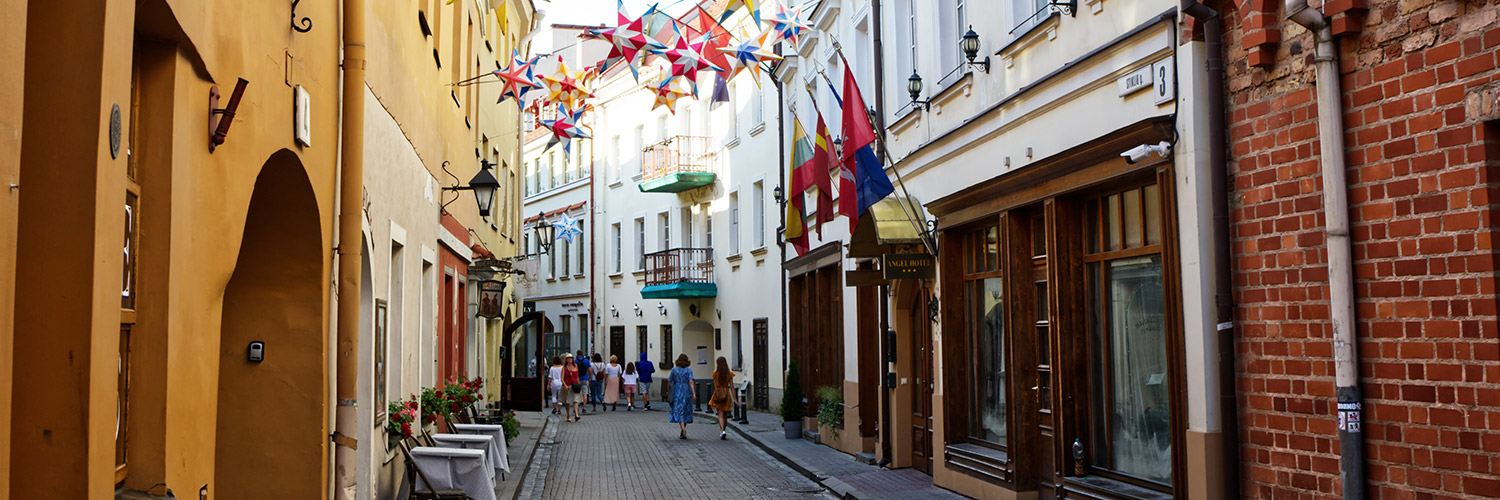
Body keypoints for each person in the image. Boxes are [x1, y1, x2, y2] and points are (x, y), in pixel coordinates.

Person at [668, 354, 696, 439]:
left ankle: (683, 429)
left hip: (677, 391)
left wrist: (669, 391)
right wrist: (694, 393)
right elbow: (691, 381)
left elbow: (669, 381)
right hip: (686, 391)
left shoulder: (674, 370)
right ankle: (683, 429)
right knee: (686, 410)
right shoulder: (689, 370)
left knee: (679, 410)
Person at [710, 356, 736, 440]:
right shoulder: (729, 374)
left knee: (720, 414)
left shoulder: (715, 373)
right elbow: (732, 387)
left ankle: (722, 430)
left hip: (718, 393)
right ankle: (723, 429)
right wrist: (735, 399)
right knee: (725, 414)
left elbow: (715, 383)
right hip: (726, 394)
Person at [562, 353, 581, 422]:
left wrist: (578, 383)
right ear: (566, 360)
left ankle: (576, 414)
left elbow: (577, 375)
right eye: (568, 358)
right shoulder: (564, 368)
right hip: (568, 385)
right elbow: (562, 378)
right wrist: (565, 385)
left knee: (575, 400)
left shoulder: (575, 366)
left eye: (571, 358)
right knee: (567, 402)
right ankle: (568, 415)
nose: (570, 360)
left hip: (575, 385)